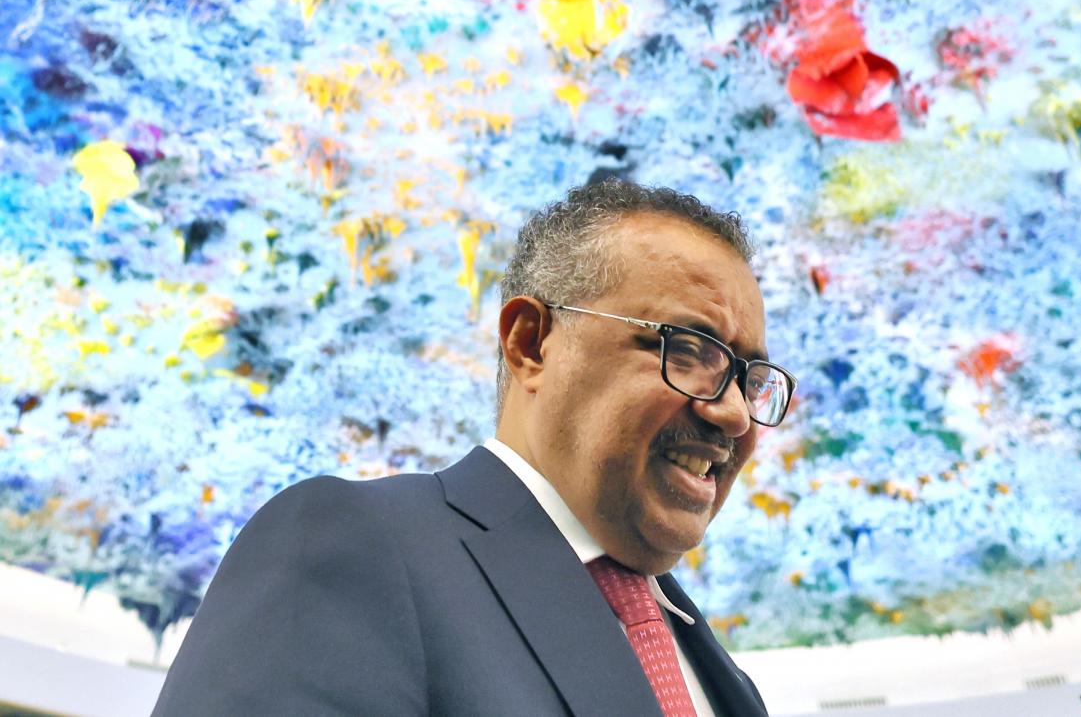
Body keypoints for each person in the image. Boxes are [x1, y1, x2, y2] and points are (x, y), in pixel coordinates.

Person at [152, 181, 797, 716]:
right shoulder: (353, 545)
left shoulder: (724, 679)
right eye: (688, 351)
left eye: (751, 379)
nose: (736, 414)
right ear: (531, 343)